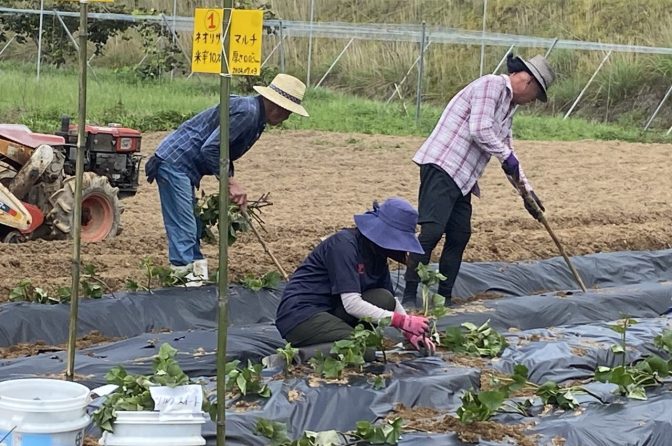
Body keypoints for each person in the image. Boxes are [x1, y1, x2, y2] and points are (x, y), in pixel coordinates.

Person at [403, 54, 556, 306]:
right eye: (535, 96)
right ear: (526, 81)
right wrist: (506, 156)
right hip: (443, 165)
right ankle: (408, 298)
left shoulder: (509, 107)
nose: (532, 102)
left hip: (463, 178)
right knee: (431, 231)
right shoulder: (491, 85)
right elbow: (480, 129)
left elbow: (507, 149)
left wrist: (526, 192)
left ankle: (444, 297)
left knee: (460, 234)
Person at [145, 74, 309, 281]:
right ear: (277, 106)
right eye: (288, 111)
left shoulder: (256, 118)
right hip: (175, 162)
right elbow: (212, 148)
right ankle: (183, 283)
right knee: (184, 228)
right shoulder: (248, 114)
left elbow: (224, 151)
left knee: (194, 225)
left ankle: (196, 278)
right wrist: (230, 182)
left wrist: (230, 182)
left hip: (184, 166)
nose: (287, 117)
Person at [275, 197, 436, 354]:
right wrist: (403, 322)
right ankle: (298, 355)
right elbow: (352, 304)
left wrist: (409, 332)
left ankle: (337, 336)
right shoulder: (344, 246)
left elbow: (391, 301)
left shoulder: (377, 254)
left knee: (383, 298)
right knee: (363, 348)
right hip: (302, 316)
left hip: (332, 311)